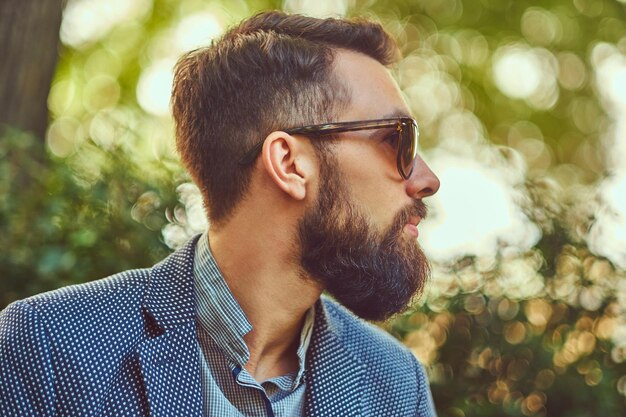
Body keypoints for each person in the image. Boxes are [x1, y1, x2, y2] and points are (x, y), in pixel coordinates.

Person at [0, 10, 440, 417]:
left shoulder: (397, 385)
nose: (427, 179)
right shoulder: (47, 347)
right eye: (395, 139)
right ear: (289, 164)